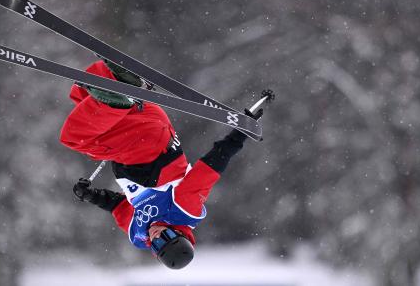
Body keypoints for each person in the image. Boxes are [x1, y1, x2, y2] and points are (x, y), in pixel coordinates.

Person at [59, 59, 265, 269]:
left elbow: (118, 206)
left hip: (151, 119)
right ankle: (120, 98)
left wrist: (91, 195)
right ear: (179, 232)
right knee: (76, 137)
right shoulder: (184, 210)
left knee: (86, 101)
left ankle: (117, 80)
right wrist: (240, 134)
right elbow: (211, 166)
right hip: (144, 144)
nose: (157, 235)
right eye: (167, 235)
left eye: (157, 244)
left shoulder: (139, 234)